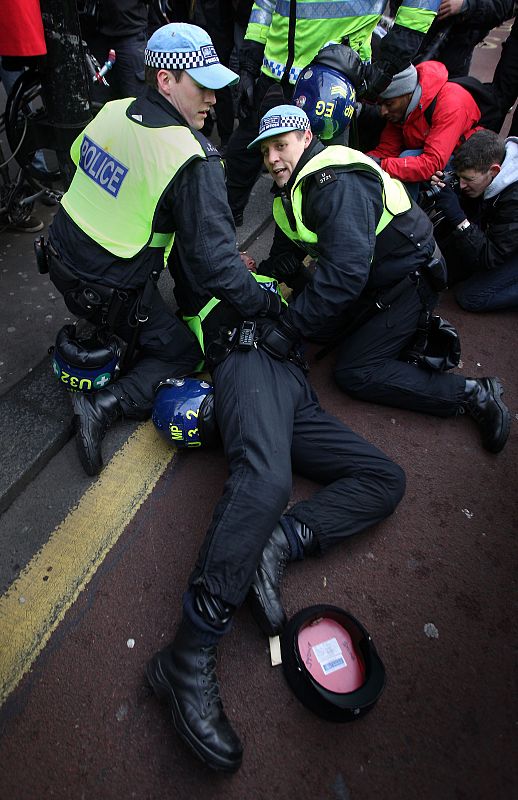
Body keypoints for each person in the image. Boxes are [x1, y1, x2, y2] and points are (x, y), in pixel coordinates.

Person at [147, 239, 406, 775]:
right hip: (246, 365)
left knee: (385, 478)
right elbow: (198, 259)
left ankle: (276, 542)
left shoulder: (269, 280)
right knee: (266, 482)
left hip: (293, 387)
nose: (243, 259)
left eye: (246, 257)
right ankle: (186, 656)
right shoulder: (206, 291)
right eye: (231, 256)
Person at [46, 22, 280, 477]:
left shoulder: (112, 111)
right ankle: (101, 406)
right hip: (107, 289)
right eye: (203, 87)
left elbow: (82, 167)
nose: (214, 99)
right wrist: (264, 303)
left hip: (58, 260)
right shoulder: (192, 157)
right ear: (166, 80)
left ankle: (107, 334)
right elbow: (216, 268)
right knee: (180, 352)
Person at [248, 104, 511, 455]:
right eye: (266, 151)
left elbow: (343, 276)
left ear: (307, 137)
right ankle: (395, 337)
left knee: (356, 372)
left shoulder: (334, 184)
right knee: (317, 327)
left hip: (409, 280)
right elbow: (287, 255)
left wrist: (288, 328)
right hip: (375, 278)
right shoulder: (293, 189)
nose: (273, 158)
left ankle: (473, 394)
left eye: (280, 146)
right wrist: (248, 277)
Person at [224, 0, 443, 225]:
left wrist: (389, 63)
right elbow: (265, 4)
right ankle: (226, 223)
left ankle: (291, 251)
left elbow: (420, 5)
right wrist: (249, 63)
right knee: (245, 152)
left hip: (332, 75)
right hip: (275, 70)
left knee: (316, 174)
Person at [430, 128, 518, 311]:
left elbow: (490, 256)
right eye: (460, 177)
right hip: (506, 232)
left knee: (470, 297)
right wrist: (454, 193)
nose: (462, 185)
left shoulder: (514, 200)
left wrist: (459, 218)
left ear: (494, 171)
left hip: (507, 244)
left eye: (468, 179)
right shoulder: (493, 157)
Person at [367, 61, 481, 199]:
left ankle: (407, 215)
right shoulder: (403, 108)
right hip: (429, 155)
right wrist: (358, 160)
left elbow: (432, 164)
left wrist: (380, 165)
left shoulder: (451, 104)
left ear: (407, 94)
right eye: (381, 104)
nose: (383, 111)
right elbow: (386, 151)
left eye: (389, 104)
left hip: (463, 161)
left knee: (406, 157)